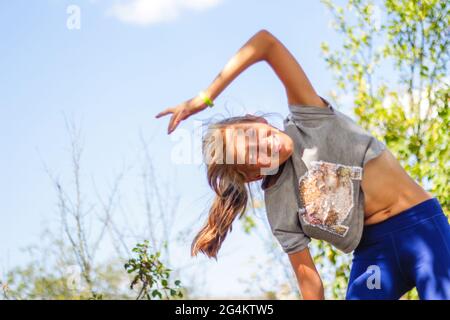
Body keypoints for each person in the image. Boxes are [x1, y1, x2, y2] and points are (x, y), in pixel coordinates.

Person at [155, 30, 450, 300]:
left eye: (252, 136)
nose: (264, 145)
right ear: (254, 175)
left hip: (421, 227)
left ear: (255, 119)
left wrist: (204, 97)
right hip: (373, 253)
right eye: (253, 156)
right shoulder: (280, 208)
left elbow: (266, 44)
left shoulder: (310, 118)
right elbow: (308, 280)